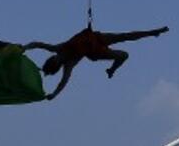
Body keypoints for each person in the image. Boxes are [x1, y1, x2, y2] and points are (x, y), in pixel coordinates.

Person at [24, 25, 169, 99]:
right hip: (96, 51)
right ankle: (111, 70)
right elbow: (63, 82)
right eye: (57, 61)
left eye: (56, 59)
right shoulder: (69, 64)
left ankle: (152, 32)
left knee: (125, 36)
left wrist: (24, 48)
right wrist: (54, 95)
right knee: (124, 55)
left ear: (53, 58)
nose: (58, 58)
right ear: (58, 64)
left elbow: (37, 44)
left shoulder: (57, 49)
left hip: (94, 38)